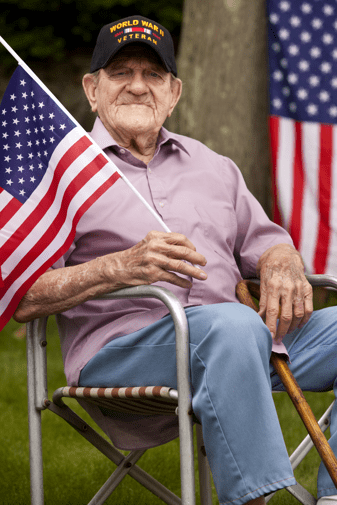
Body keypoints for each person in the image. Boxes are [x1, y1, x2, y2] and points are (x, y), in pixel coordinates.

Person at [13, 15, 337, 505]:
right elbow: (23, 293)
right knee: (230, 325)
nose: (138, 86)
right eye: (121, 72)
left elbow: (265, 240)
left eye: (154, 75)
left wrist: (282, 259)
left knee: (238, 327)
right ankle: (257, 500)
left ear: (174, 92)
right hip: (128, 355)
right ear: (92, 89)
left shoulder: (214, 166)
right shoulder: (63, 172)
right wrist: (119, 267)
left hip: (244, 343)